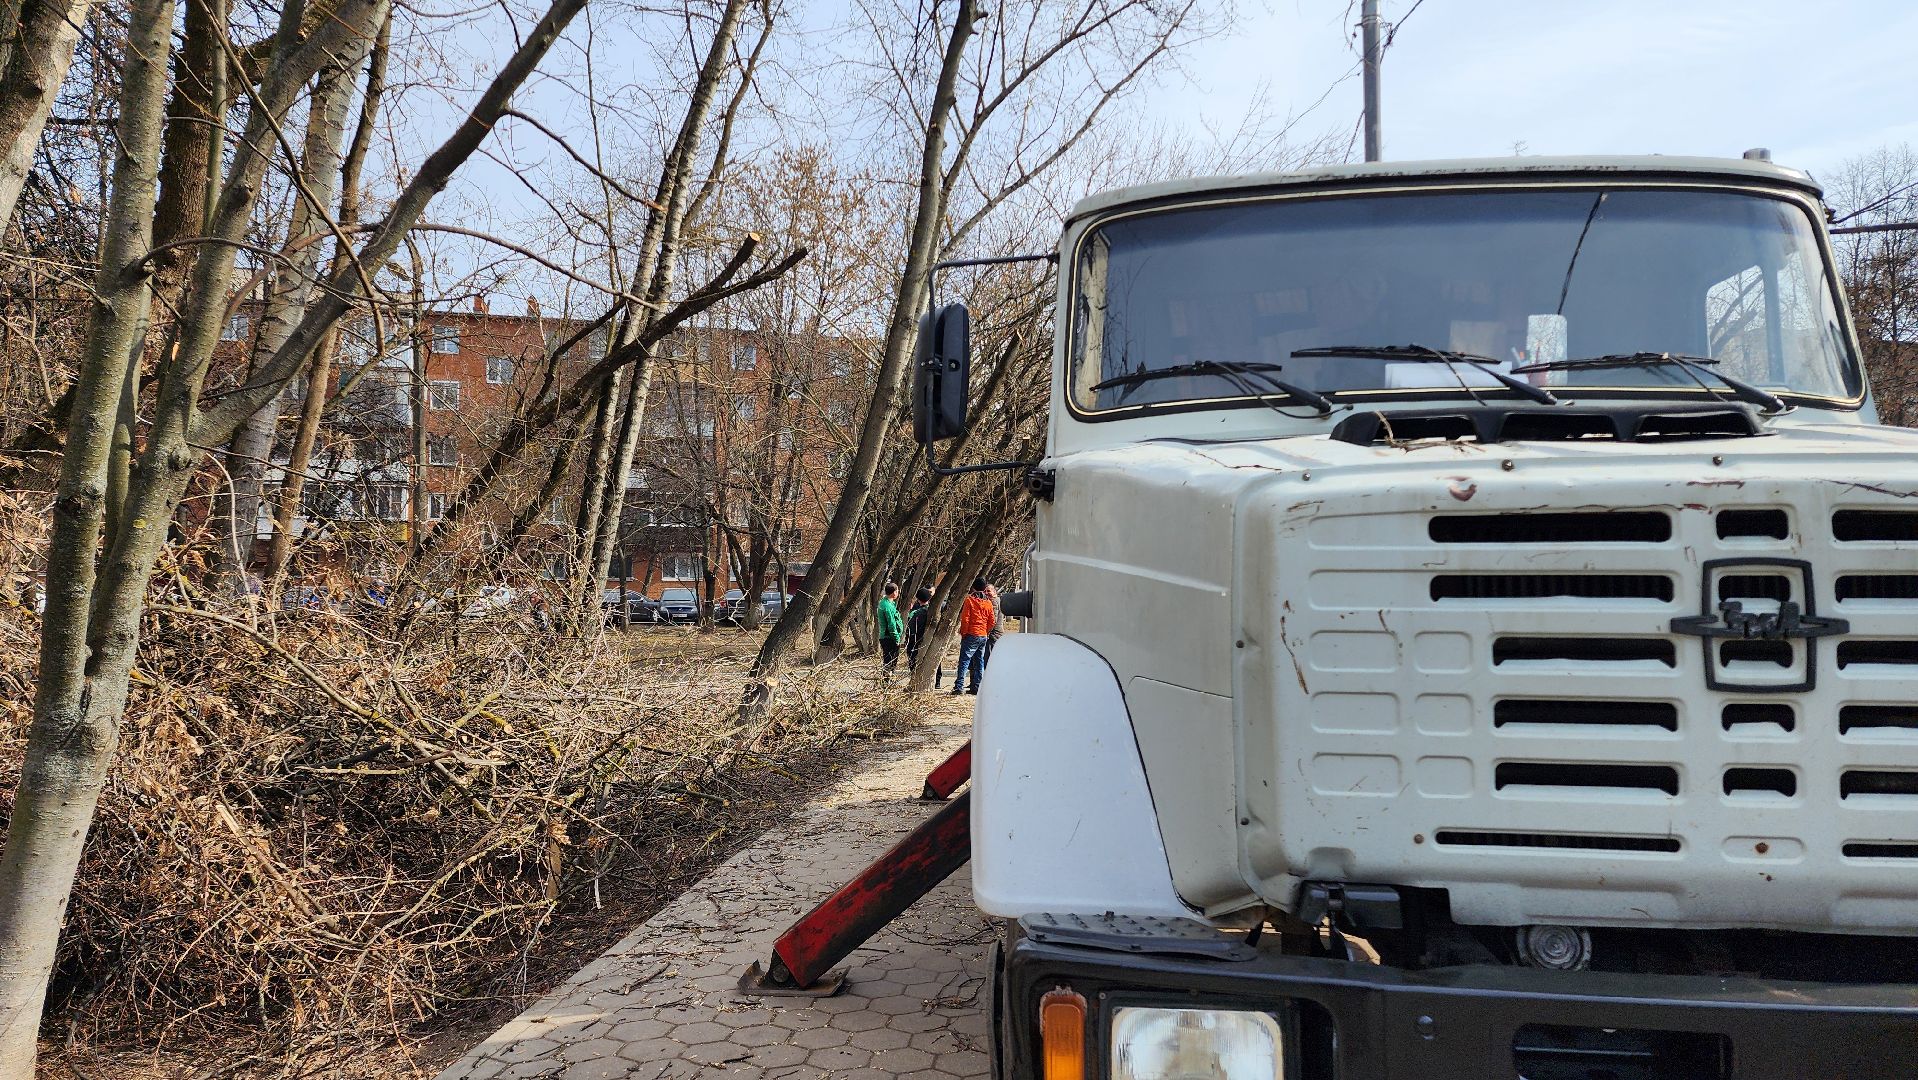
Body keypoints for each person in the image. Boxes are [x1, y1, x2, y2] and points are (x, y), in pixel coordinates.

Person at [954, 577, 994, 695]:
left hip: (971, 633)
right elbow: (992, 621)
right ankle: (977, 686)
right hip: (983, 635)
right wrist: (985, 631)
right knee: (979, 661)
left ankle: (959, 686)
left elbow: (965, 619)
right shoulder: (988, 602)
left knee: (964, 661)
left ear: (973, 587)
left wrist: (964, 632)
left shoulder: (969, 600)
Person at [877, 582, 904, 676]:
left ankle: (888, 680)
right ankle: (886, 682)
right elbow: (891, 624)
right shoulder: (887, 606)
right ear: (894, 592)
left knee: (890, 661)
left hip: (888, 636)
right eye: (897, 591)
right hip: (889, 637)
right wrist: (896, 639)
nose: (897, 593)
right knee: (890, 661)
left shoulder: (887, 602)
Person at [904, 587, 931, 674]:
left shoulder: (915, 613)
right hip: (927, 640)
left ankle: (914, 678)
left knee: (913, 662)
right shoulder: (931, 611)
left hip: (915, 641)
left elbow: (911, 628)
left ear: (918, 598)